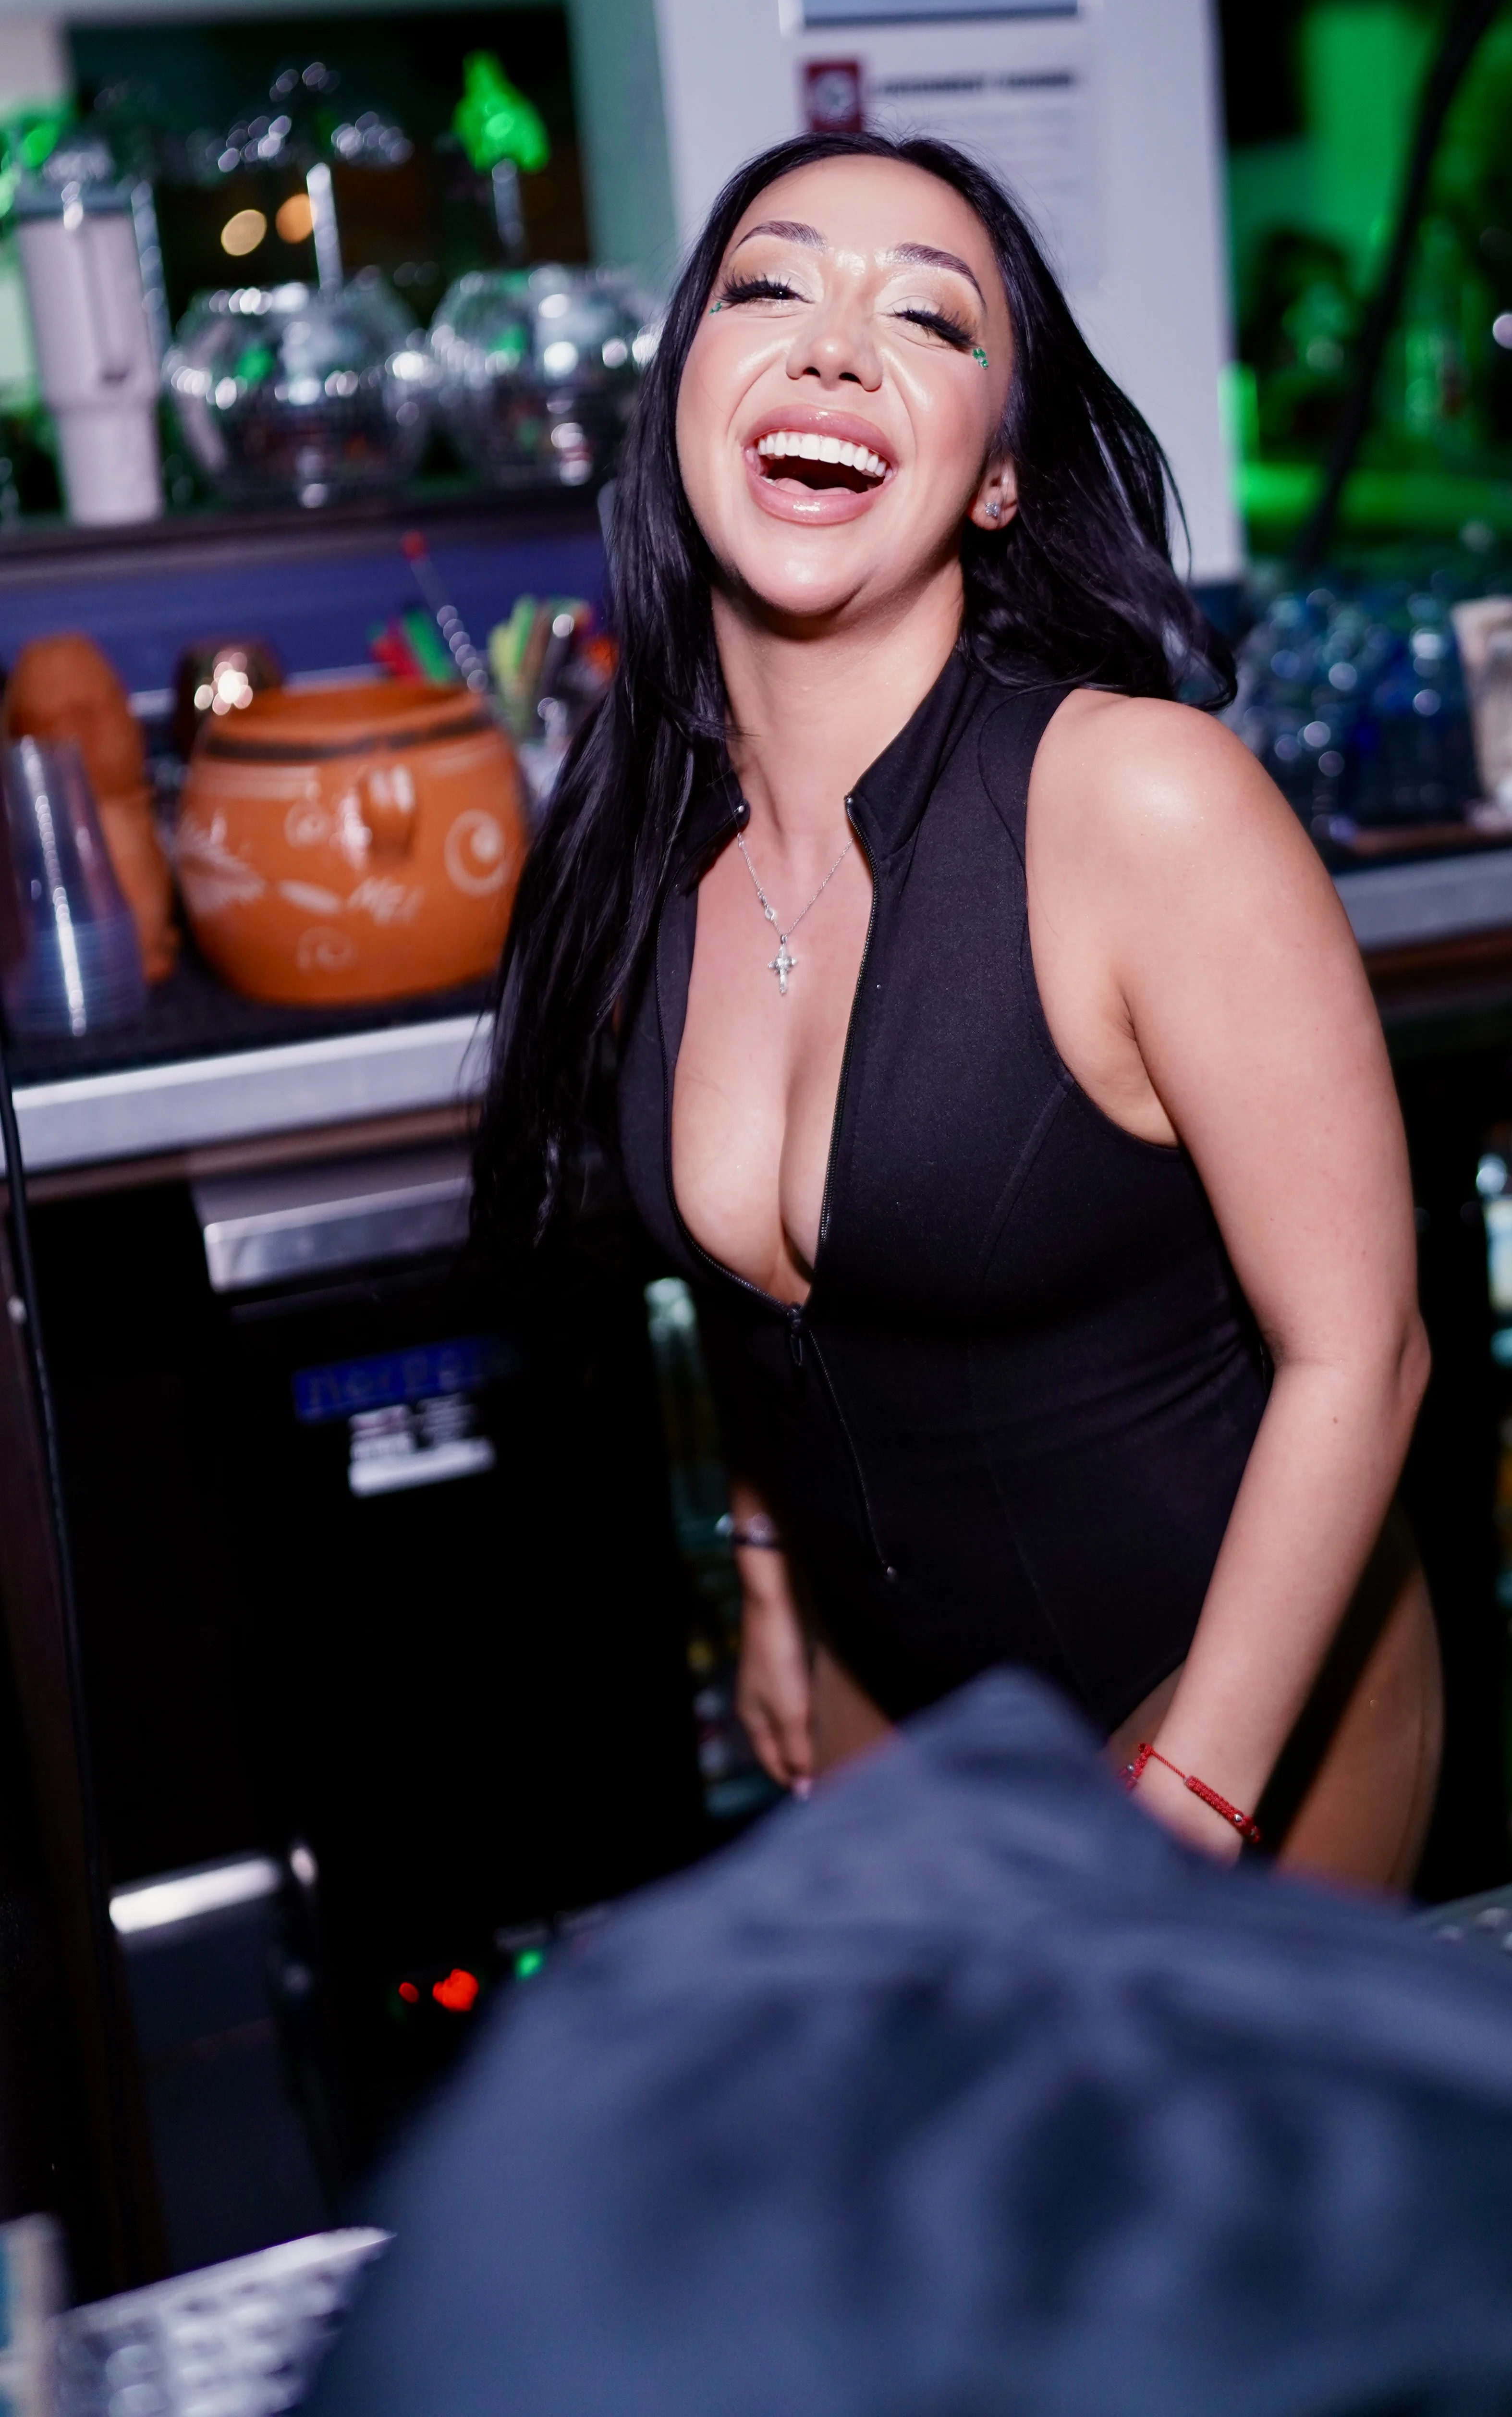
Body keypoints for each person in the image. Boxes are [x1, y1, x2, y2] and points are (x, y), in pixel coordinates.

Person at [475, 132, 1439, 1881]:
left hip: (1234, 1699)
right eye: (770, 287)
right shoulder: (645, 837)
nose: (835, 346)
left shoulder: (1140, 803)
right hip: (902, 1696)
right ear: (683, 395)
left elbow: (1361, 1352)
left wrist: (1193, 1798)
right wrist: (771, 1577)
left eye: (926, 320)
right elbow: (753, 1305)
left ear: (998, 477)